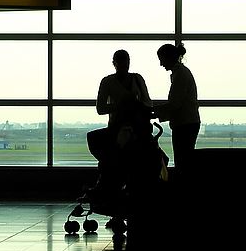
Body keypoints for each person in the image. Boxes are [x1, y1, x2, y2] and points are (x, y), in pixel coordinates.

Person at [84, 50, 153, 198]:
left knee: (112, 157)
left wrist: (125, 106)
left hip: (127, 128)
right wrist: (126, 106)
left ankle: (109, 187)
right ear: (114, 64)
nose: (124, 66)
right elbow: (100, 108)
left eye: (125, 62)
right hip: (123, 128)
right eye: (121, 63)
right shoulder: (120, 81)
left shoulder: (128, 80)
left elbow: (147, 103)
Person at [153, 43, 201, 172]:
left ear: (168, 58)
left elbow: (175, 104)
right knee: (184, 159)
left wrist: (154, 112)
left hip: (185, 124)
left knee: (182, 161)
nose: (161, 64)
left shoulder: (180, 75)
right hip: (188, 122)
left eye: (161, 60)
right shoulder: (181, 73)